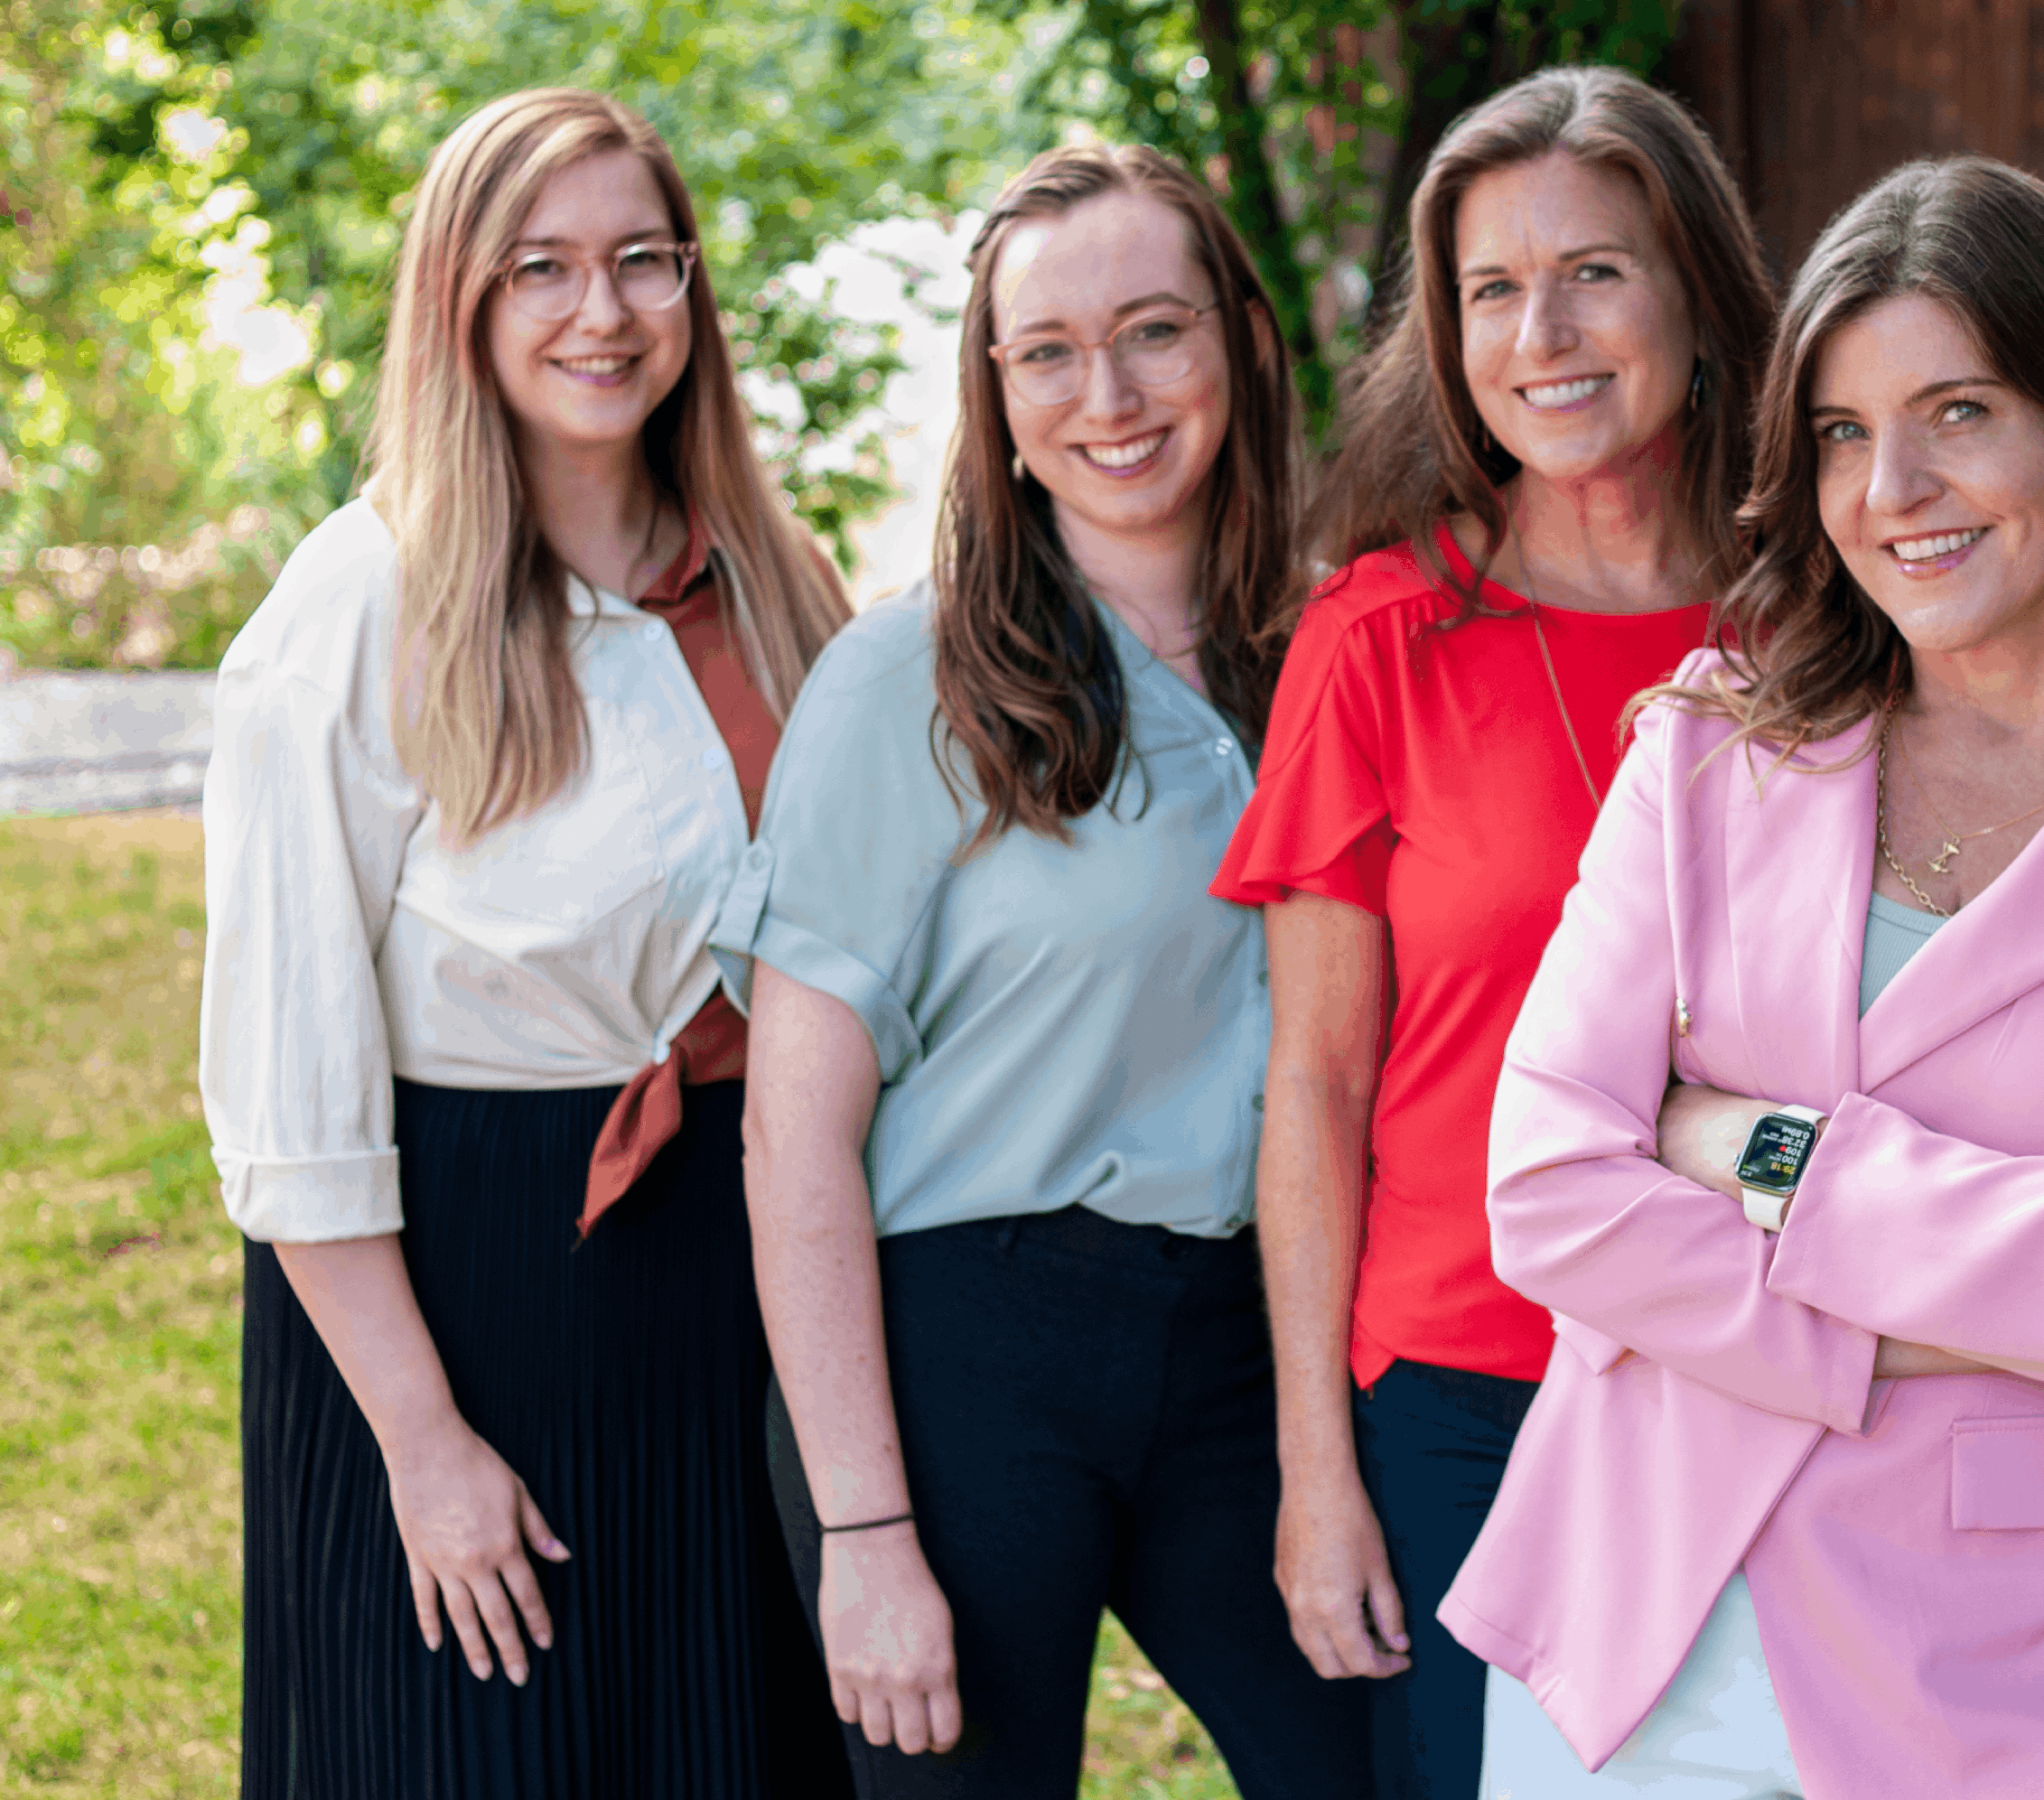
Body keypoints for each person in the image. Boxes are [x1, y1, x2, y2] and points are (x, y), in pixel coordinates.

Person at [1441, 154, 2044, 1795]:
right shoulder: (1707, 750)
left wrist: (1747, 1144)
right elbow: (1542, 1189)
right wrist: (1987, 1303)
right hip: (1632, 1635)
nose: (1893, 487)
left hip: (2004, 1680)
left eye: (1958, 411)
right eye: (1842, 432)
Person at [202, 88, 852, 1798]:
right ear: (463, 302)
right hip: (468, 1275)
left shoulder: (772, 578)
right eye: (543, 268)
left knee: (732, 1741)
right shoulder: (363, 603)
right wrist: (424, 1447)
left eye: (644, 259)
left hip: (738, 1261)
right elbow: (290, 1104)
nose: (603, 310)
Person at [718, 142, 1371, 1799]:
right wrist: (864, 1527)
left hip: (1249, 1337)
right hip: (971, 1352)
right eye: (1049, 353)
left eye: (1156, 330)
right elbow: (792, 1133)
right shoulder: (905, 684)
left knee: (1376, 1765)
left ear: (1241, 339)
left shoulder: (1336, 650)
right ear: (997, 401)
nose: (1111, 393)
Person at [1210, 66, 1776, 1800]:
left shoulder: (1828, 620)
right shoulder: (1378, 636)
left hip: (1782, 1361)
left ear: (1694, 290)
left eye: (1596, 269)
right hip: (1469, 1387)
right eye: (1489, 289)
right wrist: (1319, 1461)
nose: (1546, 331)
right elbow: (1313, 1082)